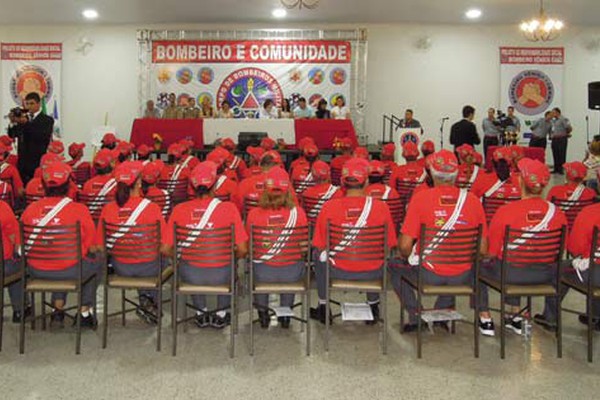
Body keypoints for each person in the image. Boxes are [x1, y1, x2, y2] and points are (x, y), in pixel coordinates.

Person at [392, 149, 494, 335]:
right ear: (456, 174)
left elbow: (405, 247)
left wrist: (410, 257)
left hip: (428, 273)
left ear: (431, 173)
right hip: (462, 275)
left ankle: (416, 316)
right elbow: (482, 249)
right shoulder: (473, 201)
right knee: (468, 264)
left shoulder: (420, 199)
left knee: (394, 265)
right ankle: (444, 311)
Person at [482, 158, 568, 335]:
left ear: (520, 181)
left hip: (510, 274)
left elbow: (490, 252)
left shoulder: (505, 212)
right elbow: (562, 248)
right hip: (546, 275)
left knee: (478, 264)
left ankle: (485, 317)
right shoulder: (558, 214)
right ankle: (516, 315)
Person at [310, 158, 397, 325]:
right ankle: (373, 305)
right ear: (366, 182)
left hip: (337, 271)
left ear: (342, 182)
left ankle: (323, 306)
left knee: (317, 254)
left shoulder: (328, 207)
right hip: (373, 272)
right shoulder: (381, 208)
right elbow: (390, 245)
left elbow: (319, 245)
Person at [164, 161, 247, 328]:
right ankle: (221, 313)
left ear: (192, 187)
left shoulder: (179, 209)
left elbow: (165, 249)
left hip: (190, 274)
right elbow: (243, 250)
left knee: (189, 261)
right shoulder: (229, 209)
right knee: (230, 262)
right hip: (222, 273)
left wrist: (179, 259)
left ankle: (200, 312)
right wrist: (232, 258)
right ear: (215, 185)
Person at [21, 161, 99, 328]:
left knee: (58, 254)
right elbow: (92, 247)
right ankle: (84, 312)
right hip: (70, 270)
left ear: (43, 185)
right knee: (95, 260)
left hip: (36, 270)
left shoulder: (29, 210)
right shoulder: (79, 210)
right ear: (69, 185)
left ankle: (58, 310)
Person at [96, 161, 167, 324]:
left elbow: (99, 246)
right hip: (149, 267)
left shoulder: (108, 209)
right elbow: (164, 244)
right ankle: (151, 302)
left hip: (121, 267)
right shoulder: (152, 208)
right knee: (163, 257)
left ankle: (147, 301)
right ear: (139, 182)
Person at [246, 167, 308, 329]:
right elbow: (303, 248)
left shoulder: (253, 214)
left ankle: (263, 314)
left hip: (263, 272)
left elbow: (249, 247)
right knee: (292, 264)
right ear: (288, 190)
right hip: (292, 272)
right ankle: (285, 315)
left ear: (265, 189)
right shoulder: (299, 213)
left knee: (258, 263)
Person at [540, 176, 600, 330]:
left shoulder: (590, 213)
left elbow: (574, 248)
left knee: (559, 269)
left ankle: (550, 318)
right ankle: (595, 315)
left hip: (595, 272)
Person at [7, 92, 54, 184]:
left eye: (32, 103)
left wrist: (26, 123)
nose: (29, 106)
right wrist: (13, 122)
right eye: (27, 104)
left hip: (37, 162)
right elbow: (12, 135)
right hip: (22, 163)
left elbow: (41, 136)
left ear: (38, 103)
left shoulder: (47, 120)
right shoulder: (22, 119)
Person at [0, 197, 29, 322]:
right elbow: (16, 242)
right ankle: (20, 310)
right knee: (18, 262)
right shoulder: (2, 208)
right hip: (4, 266)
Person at [550, 107, 573, 175]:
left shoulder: (563, 119)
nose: (552, 114)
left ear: (557, 112)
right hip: (555, 139)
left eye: (553, 112)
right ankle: (556, 169)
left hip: (561, 139)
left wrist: (566, 134)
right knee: (555, 154)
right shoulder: (554, 120)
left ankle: (561, 169)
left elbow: (568, 127)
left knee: (561, 154)